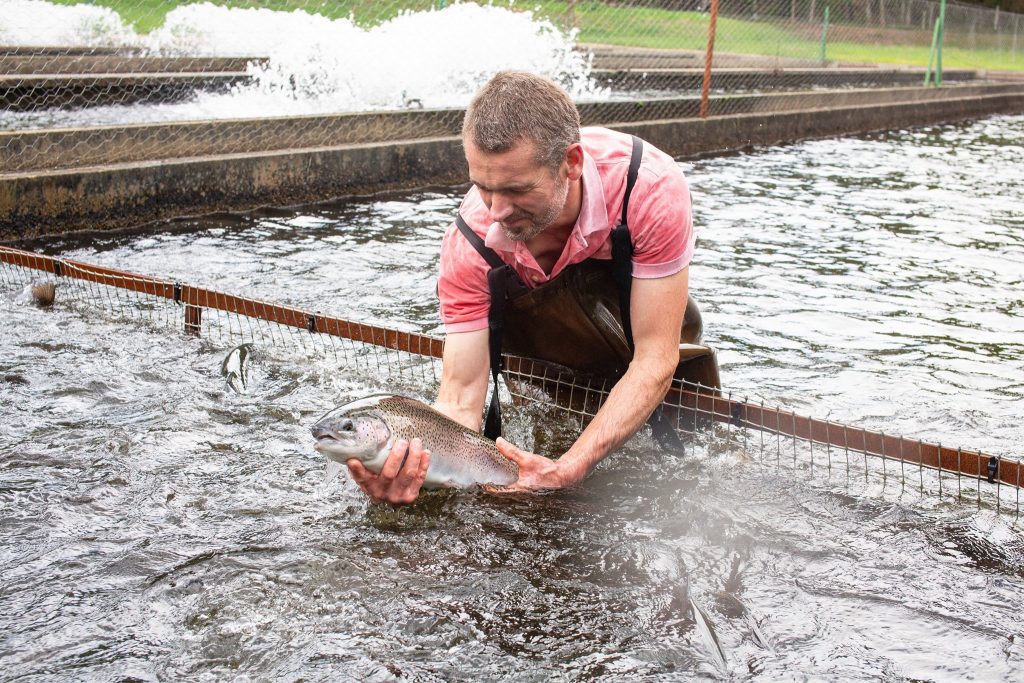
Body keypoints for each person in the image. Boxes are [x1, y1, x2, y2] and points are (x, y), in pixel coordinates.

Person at [347, 71, 697, 505]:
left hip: (636, 330)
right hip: (549, 359)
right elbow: (459, 400)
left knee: (691, 440)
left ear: (572, 163)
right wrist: (410, 468)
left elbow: (655, 358)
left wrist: (569, 468)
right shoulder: (470, 240)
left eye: (516, 190)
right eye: (482, 187)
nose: (496, 211)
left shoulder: (647, 189)